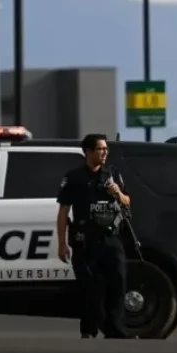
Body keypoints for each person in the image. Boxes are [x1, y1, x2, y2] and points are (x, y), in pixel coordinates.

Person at [56, 133, 132, 339]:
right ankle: (88, 330)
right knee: (91, 288)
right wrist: (62, 244)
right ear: (88, 152)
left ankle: (116, 329)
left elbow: (127, 202)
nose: (105, 152)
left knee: (117, 285)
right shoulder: (74, 178)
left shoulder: (112, 174)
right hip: (85, 240)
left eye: (106, 149)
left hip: (111, 238)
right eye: (101, 149)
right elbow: (63, 211)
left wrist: (118, 193)